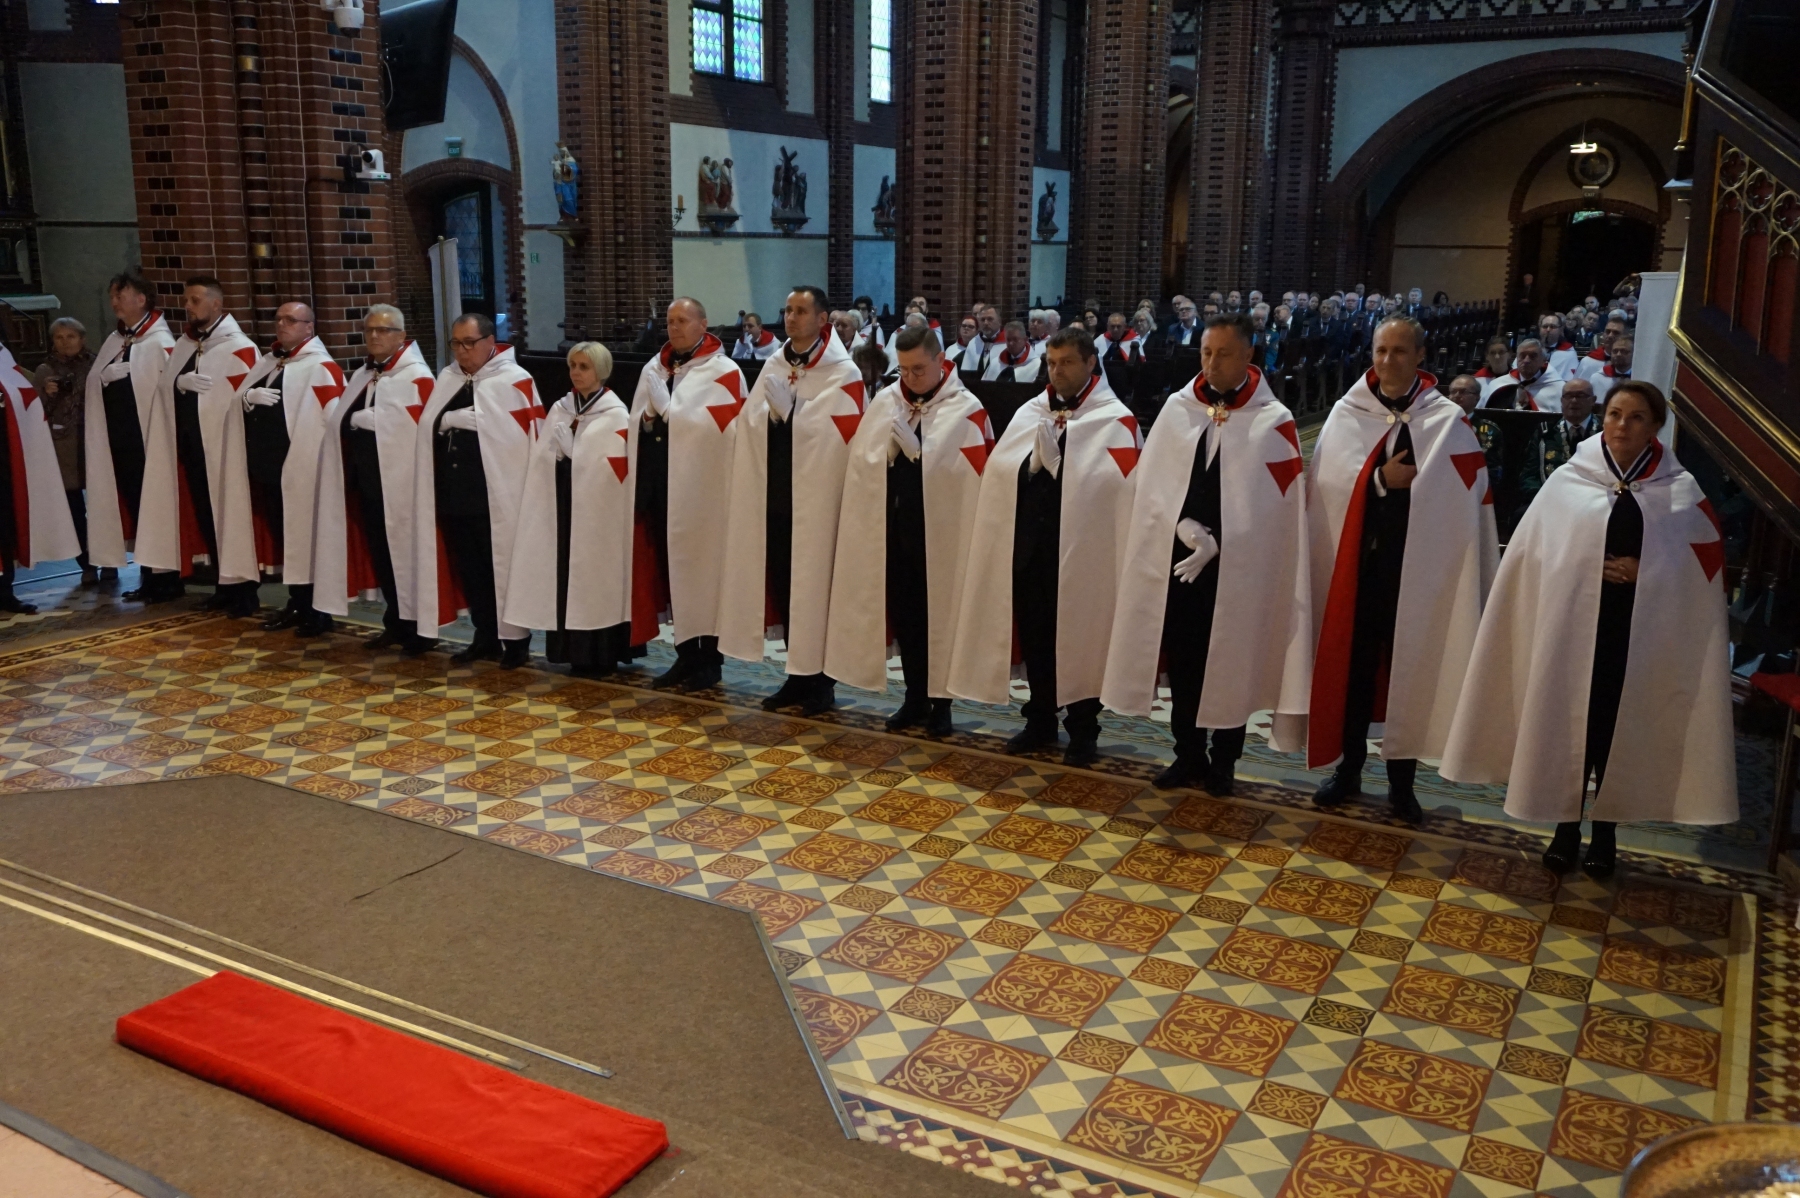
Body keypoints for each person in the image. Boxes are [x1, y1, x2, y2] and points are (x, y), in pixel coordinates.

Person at [1440, 380, 1736, 878]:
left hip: (1638, 633)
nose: (1622, 426)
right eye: (1615, 414)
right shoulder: (1569, 480)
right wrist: (1582, 563)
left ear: (1655, 427)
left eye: (1636, 417)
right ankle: (1564, 829)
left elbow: (1704, 569)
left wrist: (1647, 570)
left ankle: (1605, 835)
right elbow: (1533, 555)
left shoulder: (1681, 492)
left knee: (1614, 731)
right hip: (1571, 630)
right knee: (1567, 724)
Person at [1102, 313, 1311, 791]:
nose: (1211, 364)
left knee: (1232, 659)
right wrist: (1182, 525)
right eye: (1205, 353)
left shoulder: (1274, 421)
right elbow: (1153, 487)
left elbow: (1281, 509)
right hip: (1182, 561)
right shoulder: (1179, 409)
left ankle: (1225, 761)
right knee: (1185, 658)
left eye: (1223, 354)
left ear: (1249, 355)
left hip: (1240, 569)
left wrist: (1226, 540)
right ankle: (1188, 753)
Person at [1306, 315, 1498, 823]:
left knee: (1410, 672)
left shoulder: (1447, 422)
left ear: (1420, 356)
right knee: (1355, 670)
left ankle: (1402, 784)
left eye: (1398, 351)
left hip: (1422, 573)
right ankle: (1347, 770)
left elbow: (1467, 498)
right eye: (1380, 350)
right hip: (1359, 568)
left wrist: (1424, 489)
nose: (1387, 360)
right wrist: (1378, 479)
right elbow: (1325, 485)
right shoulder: (1348, 413)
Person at [949, 327, 1138, 765]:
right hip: (1031, 549)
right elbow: (1000, 470)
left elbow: (1121, 486)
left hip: (1082, 553)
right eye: (1051, 363)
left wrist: (1065, 468)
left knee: (1081, 638)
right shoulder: (1031, 411)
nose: (1057, 371)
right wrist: (1030, 469)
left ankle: (1083, 729)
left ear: (1090, 362)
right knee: (1036, 637)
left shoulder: (1114, 419)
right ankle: (1040, 719)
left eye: (1067, 362)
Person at [824, 324, 991, 737]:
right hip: (893, 529)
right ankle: (915, 697)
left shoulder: (966, 410)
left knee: (940, 618)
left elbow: (975, 480)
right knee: (907, 617)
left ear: (940, 361)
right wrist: (885, 456)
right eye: (904, 370)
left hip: (941, 538)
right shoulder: (887, 401)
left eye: (919, 369)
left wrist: (923, 460)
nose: (911, 378)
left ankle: (942, 704)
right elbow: (860, 461)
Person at [737, 286, 865, 716]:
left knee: (817, 587)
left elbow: (841, 436)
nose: (791, 318)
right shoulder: (775, 363)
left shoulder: (843, 372)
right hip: (778, 494)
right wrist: (772, 417)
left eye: (800, 311)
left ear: (822, 319)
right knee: (787, 584)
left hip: (819, 501)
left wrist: (794, 417)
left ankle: (821, 682)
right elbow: (750, 420)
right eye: (787, 310)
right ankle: (796, 674)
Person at [630, 297, 754, 693]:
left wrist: (672, 413)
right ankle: (685, 656)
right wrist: (649, 417)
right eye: (670, 321)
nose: (675, 327)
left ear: (704, 324)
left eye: (683, 320)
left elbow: (722, 431)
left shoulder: (723, 372)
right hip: (661, 487)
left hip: (704, 492)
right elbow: (636, 423)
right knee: (674, 573)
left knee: (704, 574)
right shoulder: (655, 368)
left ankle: (709, 661)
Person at [410, 313, 542, 668]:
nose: (462, 351)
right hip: (456, 493)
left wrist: (487, 424)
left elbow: (526, 439)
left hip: (497, 495)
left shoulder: (514, 380)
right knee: (472, 570)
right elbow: (427, 424)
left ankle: (516, 641)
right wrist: (443, 420)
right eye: (456, 343)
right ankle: (484, 636)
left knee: (502, 569)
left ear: (490, 342)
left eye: (469, 343)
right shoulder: (448, 377)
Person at [505, 341, 640, 677]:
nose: (576, 373)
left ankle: (602, 655)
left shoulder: (615, 414)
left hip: (598, 519)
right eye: (572, 366)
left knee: (595, 581)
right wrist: (558, 457)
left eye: (584, 367)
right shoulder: (561, 409)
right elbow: (541, 459)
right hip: (562, 511)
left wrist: (576, 455)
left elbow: (615, 472)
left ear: (601, 371)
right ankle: (571, 651)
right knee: (564, 577)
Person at [311, 305, 436, 654]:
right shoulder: (364, 373)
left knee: (407, 557)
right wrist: (353, 421)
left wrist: (383, 421)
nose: (375, 336)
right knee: (382, 555)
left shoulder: (417, 376)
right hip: (367, 481)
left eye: (383, 330)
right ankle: (395, 622)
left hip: (403, 485)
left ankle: (420, 629)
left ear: (401, 335)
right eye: (369, 330)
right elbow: (343, 418)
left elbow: (420, 427)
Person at [136, 275, 262, 615]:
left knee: (232, 518)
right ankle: (224, 585)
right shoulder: (185, 344)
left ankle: (244, 592)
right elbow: (165, 388)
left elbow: (244, 398)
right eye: (186, 300)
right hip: (192, 448)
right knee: (207, 516)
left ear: (216, 304)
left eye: (194, 300)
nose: (187, 307)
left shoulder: (239, 347)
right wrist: (178, 382)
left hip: (224, 449)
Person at [231, 301, 344, 636]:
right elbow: (238, 400)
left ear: (309, 327)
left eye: (291, 320)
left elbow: (331, 420)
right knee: (286, 539)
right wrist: (247, 398)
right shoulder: (269, 361)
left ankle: (316, 610)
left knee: (307, 541)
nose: (282, 325)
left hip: (303, 470)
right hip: (268, 469)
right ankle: (297, 602)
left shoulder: (320, 366)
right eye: (278, 319)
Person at [86, 271, 174, 596]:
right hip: (121, 440)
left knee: (155, 509)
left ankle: (165, 579)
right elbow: (94, 382)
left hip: (147, 441)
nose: (114, 303)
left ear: (141, 299)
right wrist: (102, 378)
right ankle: (149, 577)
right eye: (112, 296)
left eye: (119, 296)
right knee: (137, 508)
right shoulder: (117, 339)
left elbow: (165, 391)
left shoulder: (160, 343)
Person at [0, 339, 82, 612]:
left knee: (5, 523)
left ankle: (4, 591)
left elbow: (22, 396)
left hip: (4, 454)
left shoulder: (2, 354)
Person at [34, 317, 95, 582]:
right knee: (75, 509)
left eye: (70, 336)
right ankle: (86, 564)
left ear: (82, 339)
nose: (65, 342)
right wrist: (46, 393)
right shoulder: (45, 370)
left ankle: (109, 561)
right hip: (63, 446)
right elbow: (35, 411)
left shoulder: (95, 365)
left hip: (93, 441)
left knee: (102, 507)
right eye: (59, 337)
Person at [1517, 377, 1599, 510]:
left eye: (1580, 396)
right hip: (1548, 501)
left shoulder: (1604, 433)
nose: (1574, 401)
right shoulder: (1545, 432)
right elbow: (1529, 475)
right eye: (1568, 396)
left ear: (1593, 400)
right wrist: (1543, 498)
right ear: (1561, 401)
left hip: (1593, 504)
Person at [1447, 374, 1505, 499]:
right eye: (1453, 392)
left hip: (1475, 492)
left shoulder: (1489, 430)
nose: (1456, 396)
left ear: (1477, 397)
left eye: (1463, 392)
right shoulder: (1437, 425)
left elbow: (1494, 470)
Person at [1482, 338, 1562, 412]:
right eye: (1522, 356)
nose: (1526, 360)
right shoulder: (1497, 384)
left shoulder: (1558, 388)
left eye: (1533, 356)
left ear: (1543, 360)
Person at [1592, 334, 1634, 404]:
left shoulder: (1642, 376)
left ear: (1634, 353)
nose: (1618, 354)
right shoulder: (1597, 378)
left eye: (1624, 351)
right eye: (1615, 351)